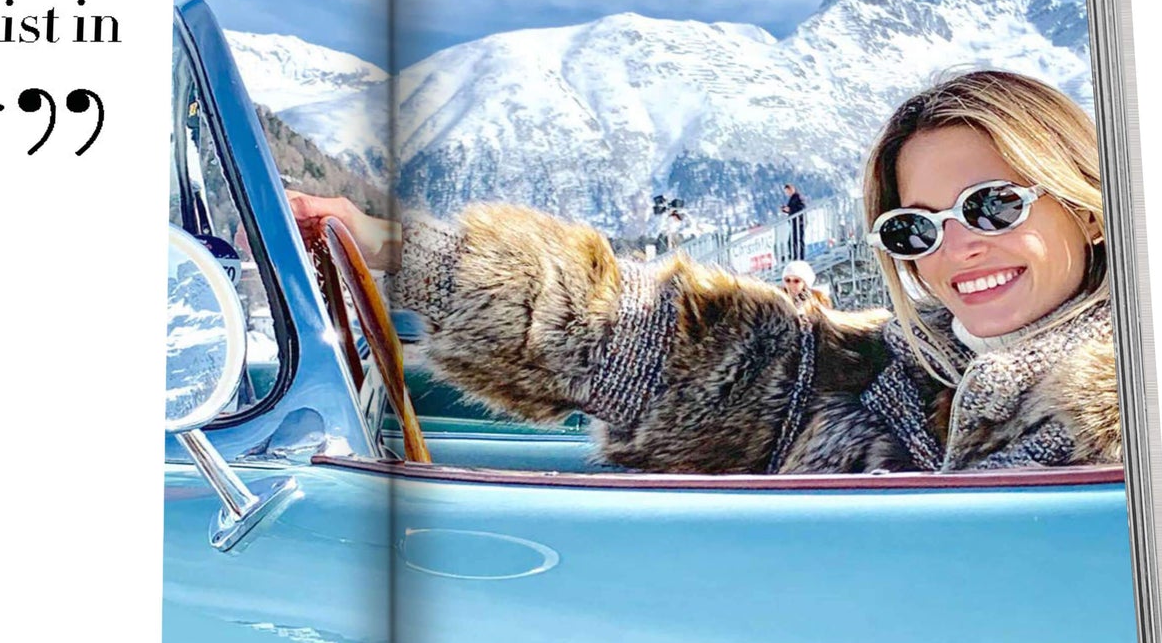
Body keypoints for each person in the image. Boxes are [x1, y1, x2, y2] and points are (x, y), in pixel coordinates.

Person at [289, 68, 1117, 475]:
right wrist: (393, 248)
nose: (956, 247)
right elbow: (616, 334)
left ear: (1084, 204)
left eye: (992, 206)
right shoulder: (864, 372)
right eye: (915, 225)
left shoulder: (1144, 421)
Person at [780, 183, 807, 260]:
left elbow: (801, 209)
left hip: (799, 222)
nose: (787, 194)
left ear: (792, 189)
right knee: (792, 241)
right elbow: (792, 209)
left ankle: (800, 257)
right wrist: (786, 210)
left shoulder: (798, 197)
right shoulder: (792, 198)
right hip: (794, 222)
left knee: (798, 240)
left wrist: (790, 210)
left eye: (788, 191)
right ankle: (794, 256)